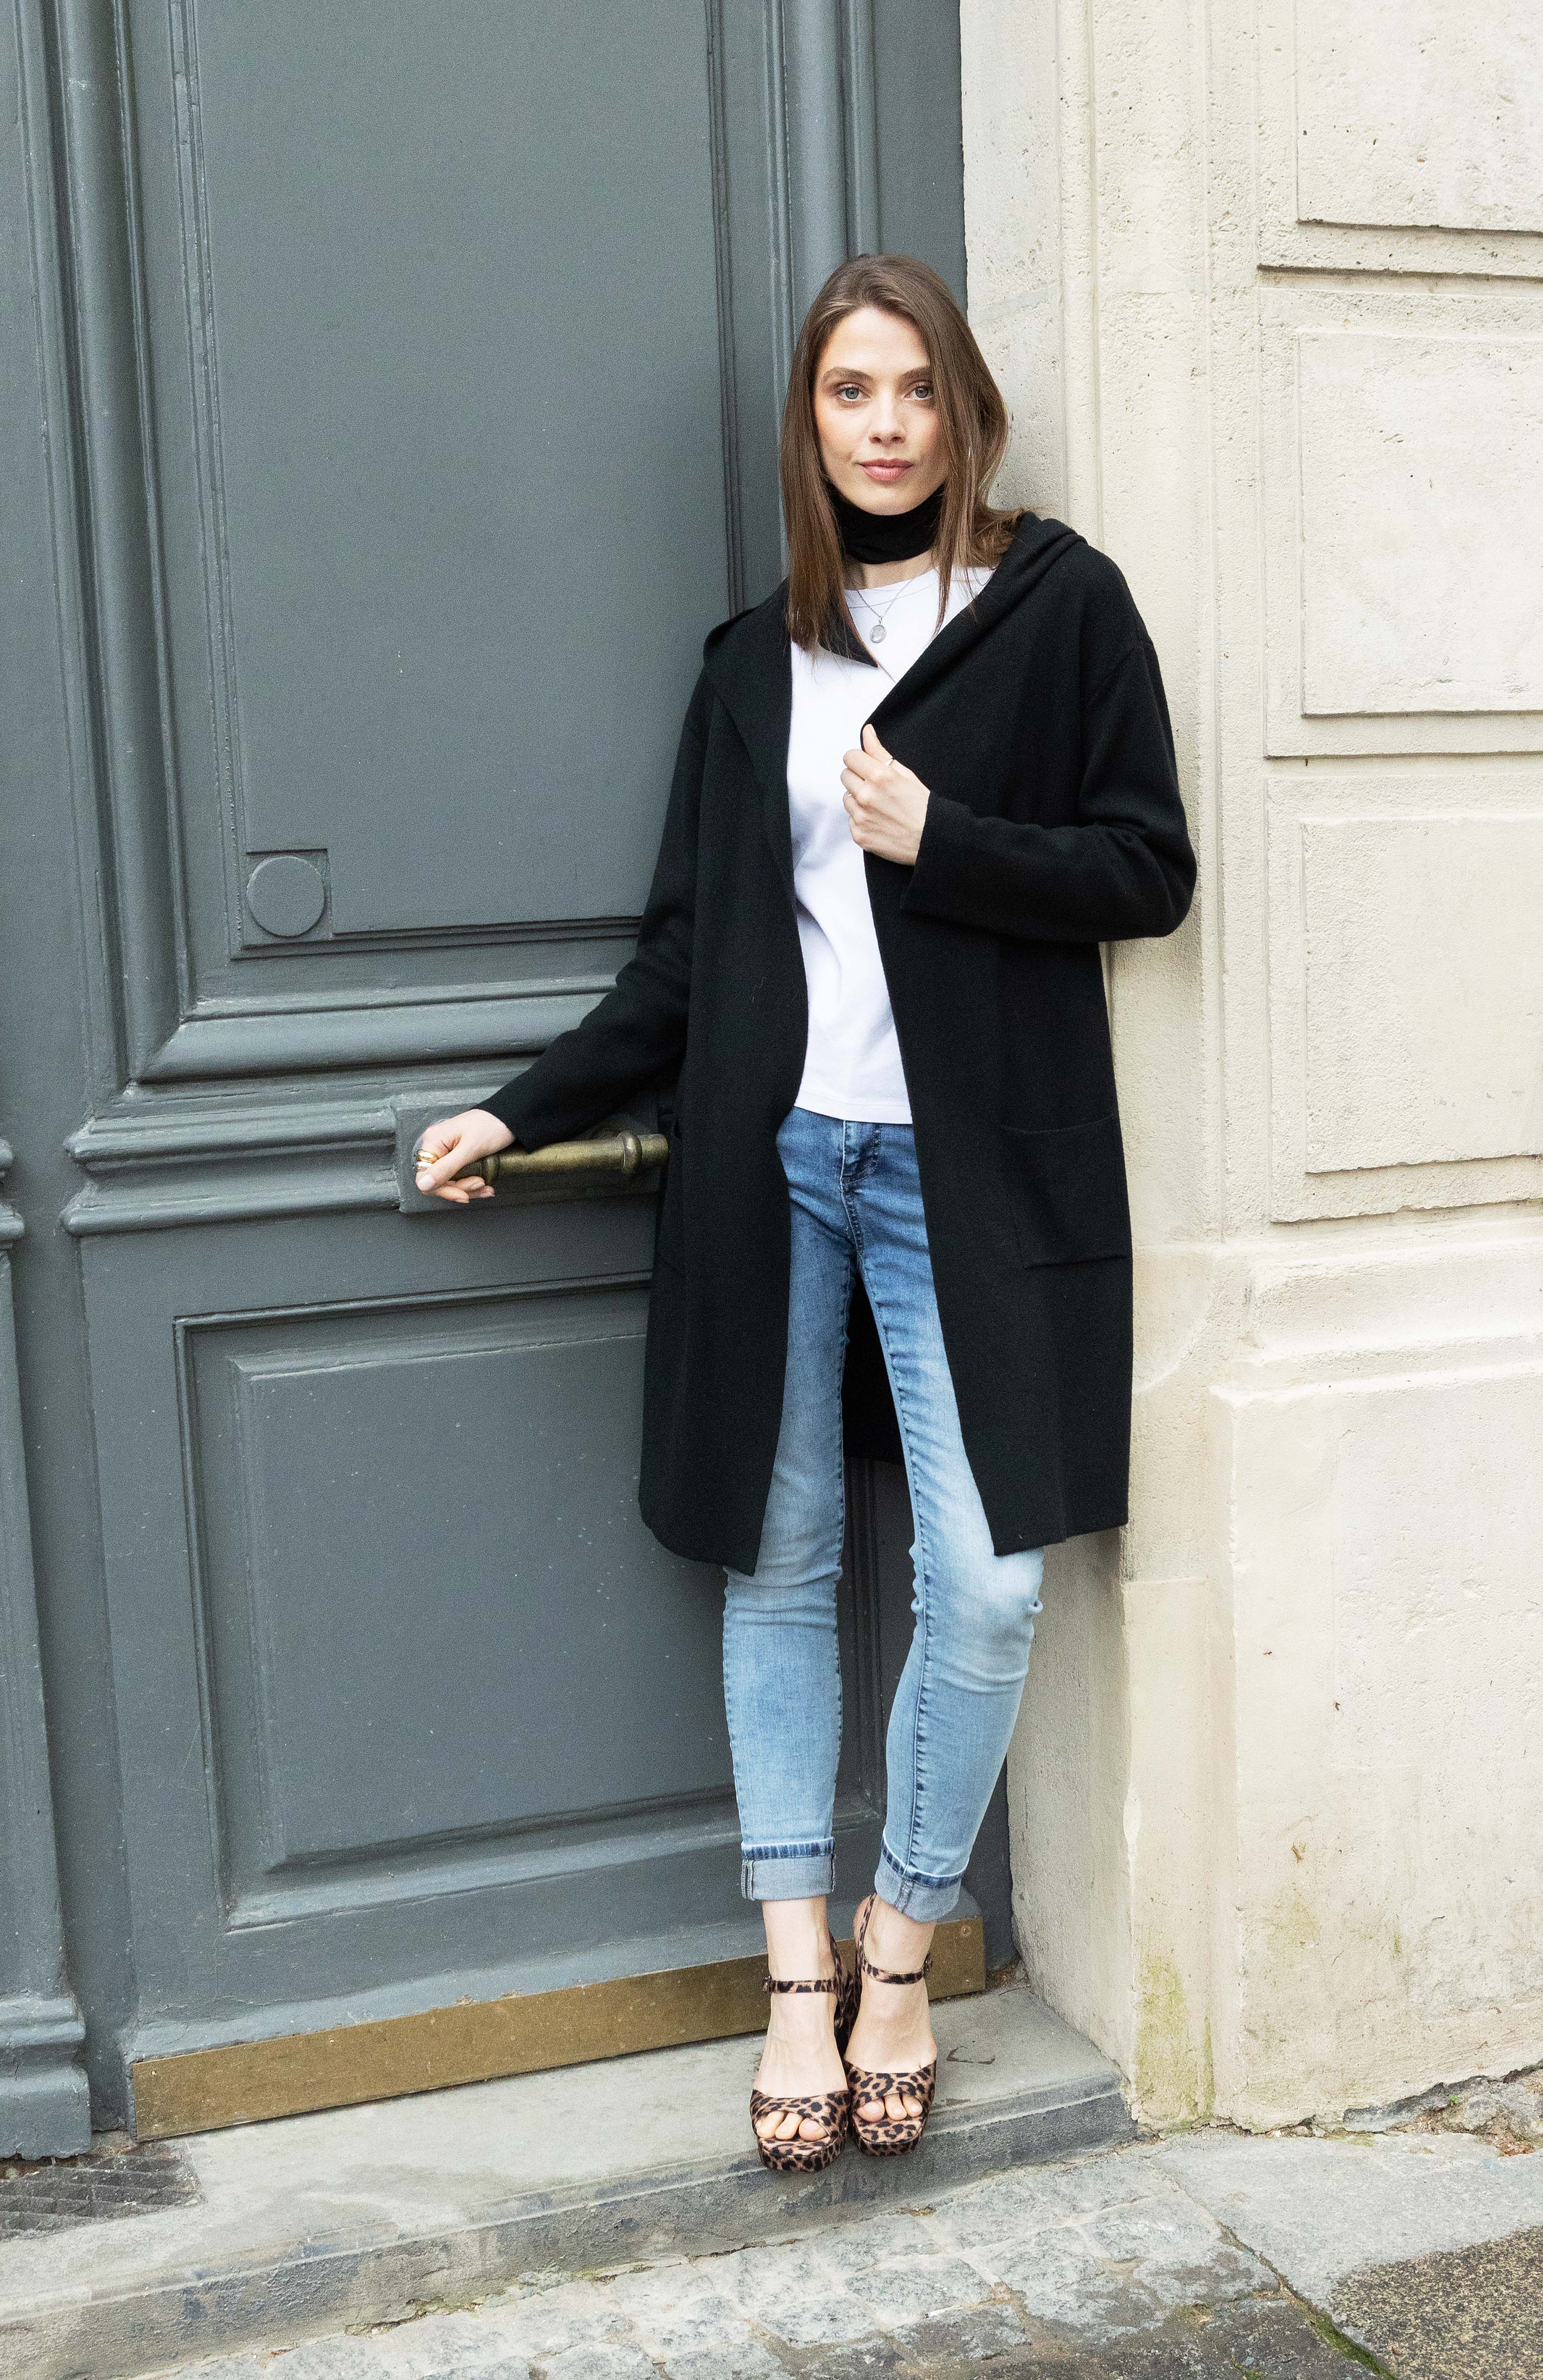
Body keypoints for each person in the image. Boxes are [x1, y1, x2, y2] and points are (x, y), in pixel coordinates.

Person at [413, 255, 1196, 2172]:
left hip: (966, 1170)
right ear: (811, 421)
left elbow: (1149, 869)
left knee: (990, 1581)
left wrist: (947, 842)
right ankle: (791, 1982)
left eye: (919, 389)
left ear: (967, 410)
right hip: (779, 1163)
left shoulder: (1058, 606)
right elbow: (687, 956)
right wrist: (521, 1107)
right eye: (853, 392)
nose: (888, 426)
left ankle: (898, 1948)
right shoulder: (753, 662)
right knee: (777, 1564)